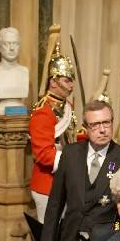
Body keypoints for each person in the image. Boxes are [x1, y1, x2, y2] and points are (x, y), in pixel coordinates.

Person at [39, 101, 120, 241]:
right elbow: (56, 201)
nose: (102, 130)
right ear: (85, 128)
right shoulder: (70, 154)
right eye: (95, 125)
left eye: (107, 123)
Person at [29, 42, 77, 225]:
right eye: (67, 80)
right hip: (47, 184)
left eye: (71, 80)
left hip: (66, 180)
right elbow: (43, 153)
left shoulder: (67, 107)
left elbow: (71, 136)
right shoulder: (43, 112)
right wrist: (74, 161)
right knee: (48, 237)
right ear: (53, 81)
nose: (71, 85)